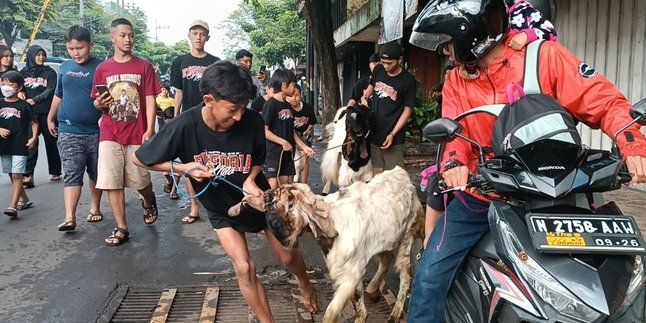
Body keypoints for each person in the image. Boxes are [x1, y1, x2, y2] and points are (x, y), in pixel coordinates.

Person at [406, 0, 646, 321]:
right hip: (483, 195)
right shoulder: (456, 81)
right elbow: (454, 133)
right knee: (430, 275)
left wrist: (633, 145)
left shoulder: (544, 57)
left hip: (559, 192)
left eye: (447, 44)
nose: (445, 53)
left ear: (470, 35)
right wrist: (453, 166)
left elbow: (603, 101)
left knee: (626, 273)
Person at [132, 60, 318, 321]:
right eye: (232, 109)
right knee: (243, 267)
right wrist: (185, 168)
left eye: (243, 108)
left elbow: (258, 160)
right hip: (221, 209)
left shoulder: (252, 120)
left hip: (258, 201)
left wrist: (251, 178)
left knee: (287, 256)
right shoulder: (185, 125)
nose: (239, 116)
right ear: (209, 99)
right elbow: (140, 158)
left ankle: (304, 281)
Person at [92, 18, 160, 246]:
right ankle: (122, 227)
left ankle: (148, 201)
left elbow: (150, 98)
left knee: (141, 180)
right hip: (110, 131)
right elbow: (96, 102)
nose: (127, 39)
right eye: (122, 35)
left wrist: (150, 128)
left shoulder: (144, 67)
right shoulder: (102, 69)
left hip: (137, 132)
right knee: (112, 181)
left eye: (130, 35)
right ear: (112, 38)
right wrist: (99, 104)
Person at [47, 25, 104, 231]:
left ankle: (95, 207)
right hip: (69, 129)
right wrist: (51, 117)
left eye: (80, 48)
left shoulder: (102, 68)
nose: (76, 53)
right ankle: (70, 217)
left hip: (98, 132)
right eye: (71, 49)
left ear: (90, 45)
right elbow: (58, 94)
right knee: (72, 172)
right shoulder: (65, 67)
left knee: (96, 173)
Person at [170, 19, 220, 224]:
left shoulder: (215, 62)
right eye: (195, 33)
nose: (198, 37)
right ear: (189, 36)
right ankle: (193, 208)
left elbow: (219, 92)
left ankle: (217, 205)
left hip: (210, 118)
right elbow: (178, 91)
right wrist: (175, 117)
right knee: (190, 162)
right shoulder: (179, 62)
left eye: (202, 34)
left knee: (215, 161)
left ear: (207, 37)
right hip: (188, 119)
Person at [360, 42, 416, 176]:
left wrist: (393, 134)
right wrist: (364, 99)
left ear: (399, 60)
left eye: (389, 63)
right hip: (375, 132)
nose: (386, 66)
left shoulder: (408, 80)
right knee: (377, 174)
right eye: (383, 62)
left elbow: (408, 111)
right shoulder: (378, 70)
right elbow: (370, 89)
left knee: (394, 177)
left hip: (393, 137)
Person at [262, 69, 315, 188]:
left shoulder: (288, 106)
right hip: (273, 153)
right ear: (284, 85)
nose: (294, 87)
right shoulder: (270, 105)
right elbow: (264, 131)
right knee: (274, 184)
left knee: (287, 182)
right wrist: (283, 142)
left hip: (288, 153)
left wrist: (305, 147)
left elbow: (292, 132)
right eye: (293, 84)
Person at [19, 45, 60, 186]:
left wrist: (35, 100)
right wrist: (19, 92)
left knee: (51, 143)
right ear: (31, 56)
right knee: (31, 143)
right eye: (38, 55)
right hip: (30, 116)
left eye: (43, 54)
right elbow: (17, 87)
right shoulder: (23, 73)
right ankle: (28, 175)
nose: (41, 57)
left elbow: (50, 90)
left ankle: (55, 171)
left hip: (47, 114)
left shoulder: (50, 72)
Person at [0, 71, 38, 217]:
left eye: (10, 84)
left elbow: (34, 122)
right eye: (3, 83)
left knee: (17, 175)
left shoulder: (24, 105)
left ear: (19, 87)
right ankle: (25, 199)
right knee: (12, 174)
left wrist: (34, 138)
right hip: (4, 146)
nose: (6, 87)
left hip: (19, 145)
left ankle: (13, 206)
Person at [287, 84, 317, 183]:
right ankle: (293, 182)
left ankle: (304, 183)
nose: (294, 98)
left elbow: (312, 122)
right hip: (291, 136)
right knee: (292, 159)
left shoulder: (307, 107)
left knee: (305, 158)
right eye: (291, 95)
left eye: (297, 95)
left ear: (301, 95)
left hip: (305, 135)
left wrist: (307, 131)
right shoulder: (286, 109)